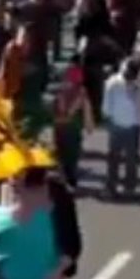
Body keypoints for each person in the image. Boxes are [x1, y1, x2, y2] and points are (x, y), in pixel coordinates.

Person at [101, 57, 140, 198]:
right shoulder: (113, 83)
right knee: (114, 157)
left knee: (131, 159)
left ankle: (129, 186)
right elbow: (106, 105)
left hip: (133, 126)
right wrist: (109, 118)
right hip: (117, 124)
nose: (129, 81)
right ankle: (111, 186)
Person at [52, 61, 95, 189]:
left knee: (62, 157)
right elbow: (87, 110)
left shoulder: (60, 91)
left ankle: (64, 181)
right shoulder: (80, 93)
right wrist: (89, 126)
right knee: (71, 159)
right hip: (73, 130)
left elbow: (56, 112)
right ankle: (70, 182)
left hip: (61, 129)